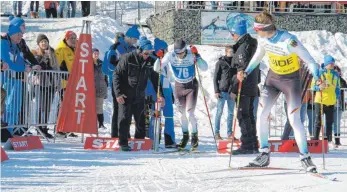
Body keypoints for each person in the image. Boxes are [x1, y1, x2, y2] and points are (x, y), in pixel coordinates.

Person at [237, 10, 320, 172]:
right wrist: (246, 71)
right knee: (261, 114)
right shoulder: (263, 39)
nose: (256, 33)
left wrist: (318, 76)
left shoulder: (289, 40)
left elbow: (310, 61)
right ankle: (264, 154)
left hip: (291, 81)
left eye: (257, 30)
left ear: (264, 28)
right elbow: (258, 57)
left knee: (294, 119)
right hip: (273, 79)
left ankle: (305, 156)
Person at [154, 40, 208, 151]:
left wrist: (197, 56)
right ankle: (185, 137)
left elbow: (204, 67)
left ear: (185, 50)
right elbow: (156, 68)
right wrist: (158, 58)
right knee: (182, 115)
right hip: (179, 86)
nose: (179, 56)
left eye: (181, 53)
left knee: (190, 114)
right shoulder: (170, 55)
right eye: (177, 53)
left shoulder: (190, 54)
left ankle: (194, 137)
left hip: (191, 86)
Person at [113, 37, 165, 151]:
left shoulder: (150, 62)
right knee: (124, 119)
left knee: (140, 120)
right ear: (139, 50)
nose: (147, 55)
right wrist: (118, 93)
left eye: (150, 53)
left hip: (140, 95)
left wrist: (160, 95)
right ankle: (123, 143)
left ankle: (139, 142)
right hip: (125, 94)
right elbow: (116, 75)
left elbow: (156, 80)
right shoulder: (127, 58)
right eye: (146, 53)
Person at [102, 26, 140, 138]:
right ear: (128, 37)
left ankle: (124, 134)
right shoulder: (116, 48)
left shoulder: (133, 49)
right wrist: (120, 63)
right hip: (118, 82)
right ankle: (115, 134)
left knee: (127, 109)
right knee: (119, 108)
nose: (135, 41)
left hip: (129, 83)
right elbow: (109, 66)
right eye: (134, 39)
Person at [228, 20, 259, 155]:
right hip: (252, 85)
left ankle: (247, 144)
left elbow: (241, 69)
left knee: (243, 115)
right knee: (249, 115)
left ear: (237, 33)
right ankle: (252, 143)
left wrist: (234, 82)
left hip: (244, 86)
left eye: (233, 33)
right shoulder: (251, 44)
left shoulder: (243, 47)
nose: (232, 36)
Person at [1, 21, 33, 137]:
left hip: (14, 80)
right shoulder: (3, 43)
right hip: (4, 80)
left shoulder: (16, 46)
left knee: (15, 105)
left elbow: (20, 60)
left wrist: (30, 66)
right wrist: (24, 68)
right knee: (5, 106)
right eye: (19, 34)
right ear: (12, 33)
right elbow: (7, 63)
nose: (21, 36)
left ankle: (10, 130)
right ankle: (4, 131)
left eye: (22, 34)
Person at [146, 38, 176, 148]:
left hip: (167, 93)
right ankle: (153, 140)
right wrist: (158, 95)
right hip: (158, 94)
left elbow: (167, 79)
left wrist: (171, 94)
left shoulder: (164, 61)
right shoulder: (154, 61)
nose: (167, 51)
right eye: (166, 49)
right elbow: (154, 80)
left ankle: (169, 140)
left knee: (169, 117)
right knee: (156, 115)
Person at [31, 34, 60, 139]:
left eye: (45, 41)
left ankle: (44, 127)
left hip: (51, 83)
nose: (44, 43)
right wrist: (43, 58)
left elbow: (56, 67)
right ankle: (39, 128)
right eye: (42, 42)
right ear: (39, 44)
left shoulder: (52, 53)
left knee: (47, 108)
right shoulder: (36, 54)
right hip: (40, 83)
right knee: (40, 106)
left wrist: (57, 83)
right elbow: (36, 66)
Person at [312, 56, 340, 149]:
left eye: (333, 63)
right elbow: (313, 86)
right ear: (326, 63)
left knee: (329, 123)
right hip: (320, 101)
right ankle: (315, 141)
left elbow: (337, 88)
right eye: (330, 63)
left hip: (331, 102)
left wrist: (337, 97)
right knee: (318, 122)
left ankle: (329, 141)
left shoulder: (336, 74)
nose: (332, 65)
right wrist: (319, 87)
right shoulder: (319, 73)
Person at [55, 30, 78, 137]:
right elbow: (57, 66)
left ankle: (68, 128)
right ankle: (59, 129)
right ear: (66, 39)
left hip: (75, 83)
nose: (73, 40)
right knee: (63, 106)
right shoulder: (61, 49)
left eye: (75, 38)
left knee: (71, 107)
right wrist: (66, 76)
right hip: (64, 83)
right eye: (71, 38)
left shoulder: (76, 49)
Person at [213, 46, 236, 140]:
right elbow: (215, 77)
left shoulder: (235, 62)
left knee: (231, 113)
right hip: (222, 91)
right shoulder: (220, 62)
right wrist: (216, 91)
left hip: (232, 92)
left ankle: (229, 134)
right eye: (230, 51)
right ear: (226, 52)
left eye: (232, 51)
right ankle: (217, 133)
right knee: (219, 112)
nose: (231, 53)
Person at [92, 48, 108, 129]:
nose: (96, 55)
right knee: (90, 106)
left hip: (101, 87)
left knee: (99, 106)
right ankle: (90, 124)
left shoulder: (102, 64)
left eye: (97, 53)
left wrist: (106, 88)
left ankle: (101, 124)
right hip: (91, 88)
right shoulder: (88, 63)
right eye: (94, 53)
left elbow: (106, 77)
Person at [332, 65, 345, 147]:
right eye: (335, 71)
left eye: (338, 71)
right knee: (328, 123)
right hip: (330, 104)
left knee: (337, 123)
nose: (336, 72)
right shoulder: (330, 80)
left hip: (339, 105)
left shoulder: (342, 81)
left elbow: (344, 90)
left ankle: (337, 140)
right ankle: (328, 140)